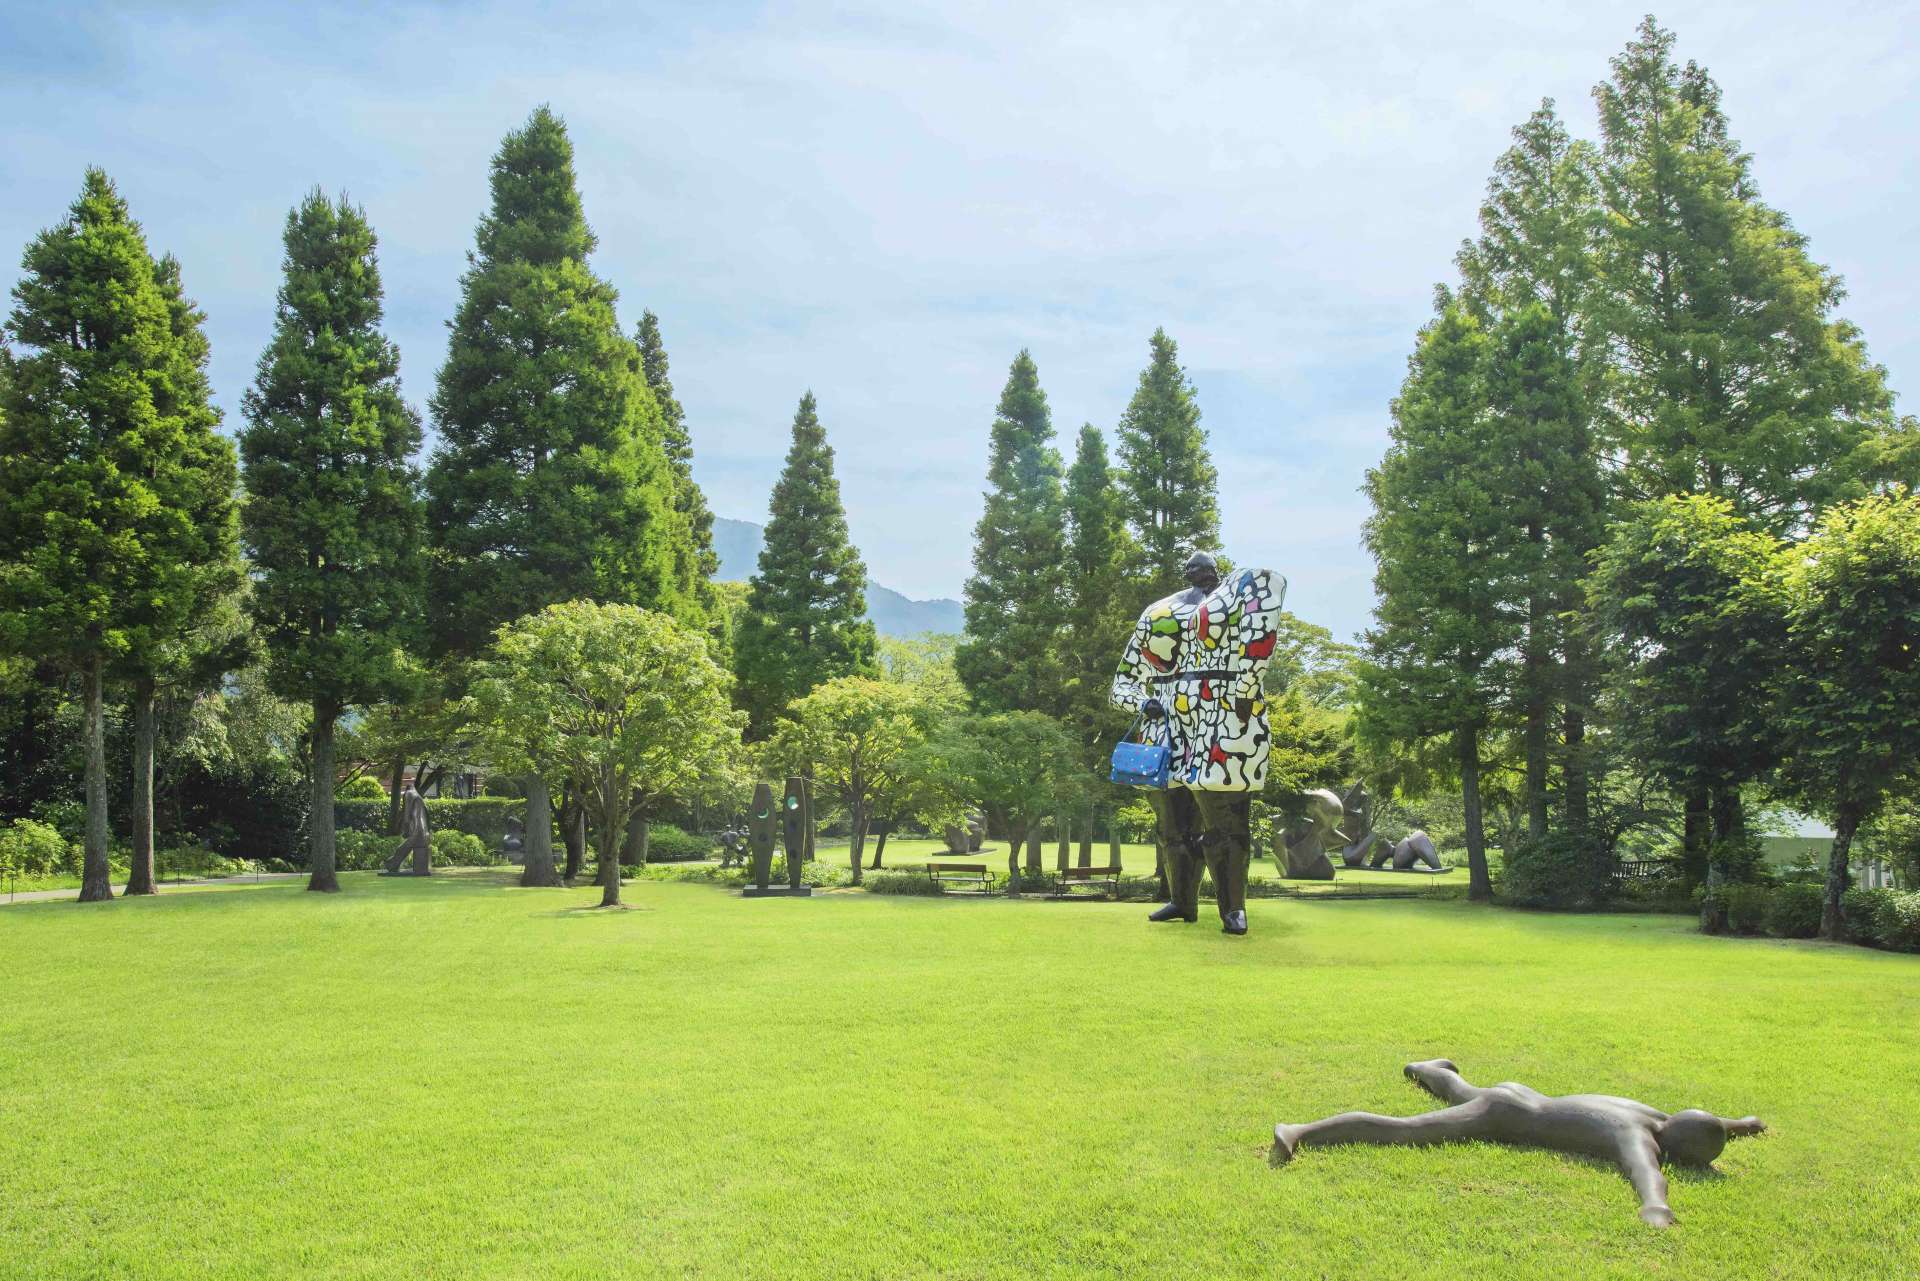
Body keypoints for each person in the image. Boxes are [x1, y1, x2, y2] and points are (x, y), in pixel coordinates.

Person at [1270, 1059, 1766, 1227]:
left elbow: (1710, 1123)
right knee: (1407, 1130)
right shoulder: (1637, 1134)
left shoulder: (1652, 1115)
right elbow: (1645, 1174)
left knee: (1458, 1090)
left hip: (1522, 1096)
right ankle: (1300, 1132)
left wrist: (1742, 1123)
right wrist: (1655, 1207)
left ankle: (1427, 1067)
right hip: (1505, 1113)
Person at [1111, 552, 1286, 934]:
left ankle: (1232, 909)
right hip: (1166, 728)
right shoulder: (1159, 611)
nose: (1195, 567)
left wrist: (1244, 691)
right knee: (1172, 825)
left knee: (1225, 819)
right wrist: (1144, 702)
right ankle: (1182, 900)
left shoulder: (1236, 597)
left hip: (1221, 718)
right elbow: (1122, 682)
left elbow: (1261, 629)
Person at [382, 781, 431, 876]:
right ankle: (393, 863)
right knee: (406, 846)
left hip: (417, 830)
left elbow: (407, 814)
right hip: (423, 830)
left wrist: (406, 828)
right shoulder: (418, 796)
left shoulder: (408, 794)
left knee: (402, 847)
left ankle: (392, 864)